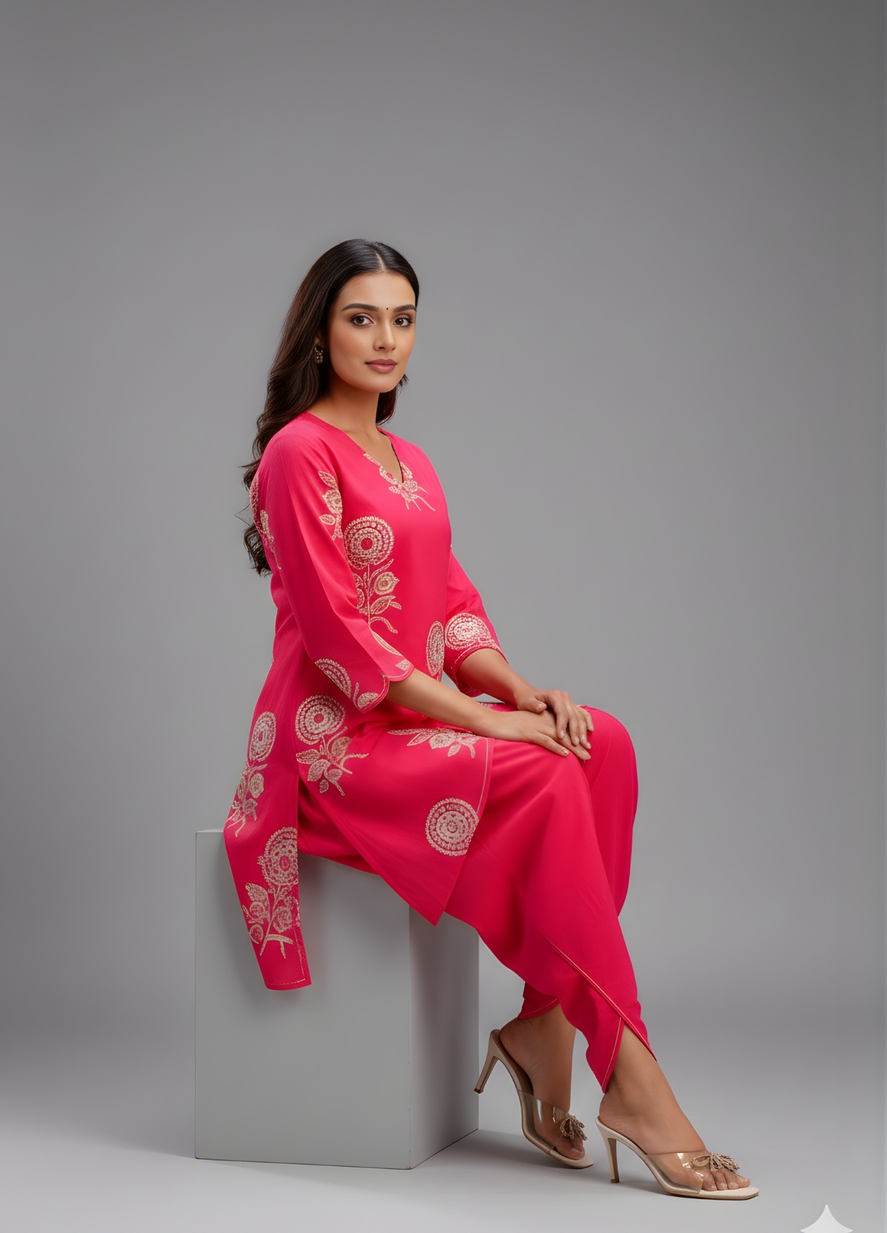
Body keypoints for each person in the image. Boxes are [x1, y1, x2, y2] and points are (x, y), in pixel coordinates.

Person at [225, 238, 757, 1200]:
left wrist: (518, 692)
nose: (386, 338)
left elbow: (452, 608)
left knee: (601, 741)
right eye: (361, 317)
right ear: (318, 330)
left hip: (413, 712)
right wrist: (494, 729)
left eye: (403, 317)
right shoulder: (300, 452)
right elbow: (344, 640)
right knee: (541, 769)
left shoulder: (406, 456)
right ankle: (629, 1074)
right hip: (337, 738)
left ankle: (542, 1018)